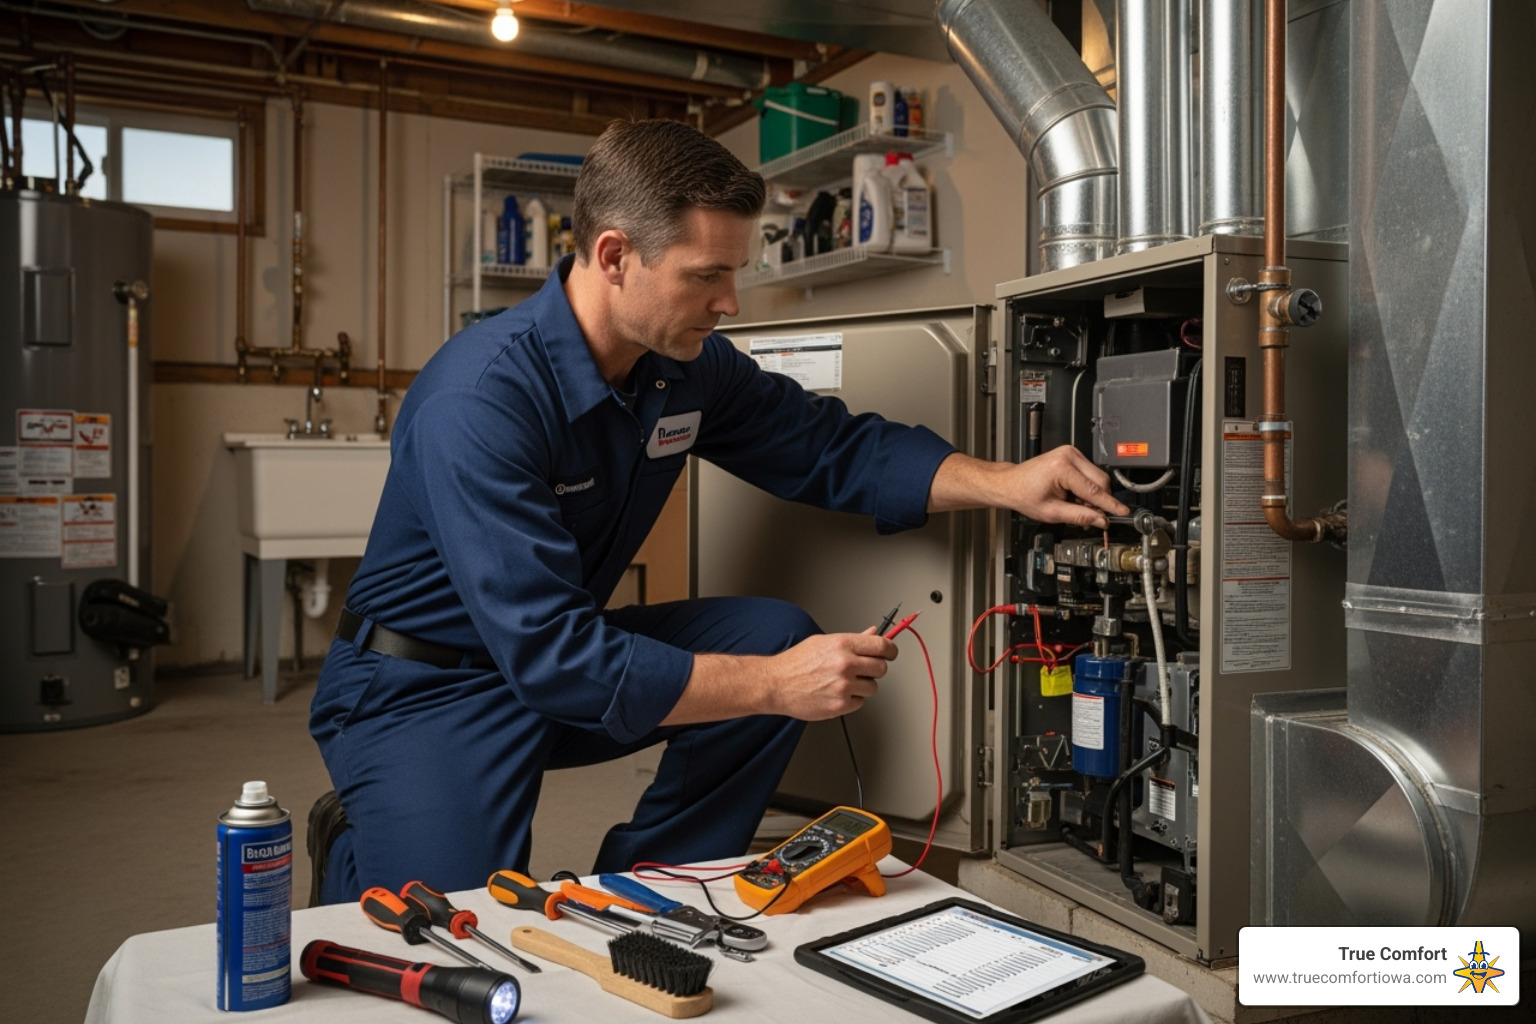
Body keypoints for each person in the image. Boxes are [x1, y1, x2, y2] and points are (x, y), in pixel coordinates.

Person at [308, 118, 1126, 904]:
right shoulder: (481, 399)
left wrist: (1006, 482)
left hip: (556, 657)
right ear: (614, 255)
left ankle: (646, 890)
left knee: (774, 635)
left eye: (733, 273)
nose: (731, 302)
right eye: (706, 276)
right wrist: (776, 686)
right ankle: (354, 843)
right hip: (423, 685)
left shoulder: (682, 368)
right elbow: (554, 655)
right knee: (450, 923)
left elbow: (825, 446)